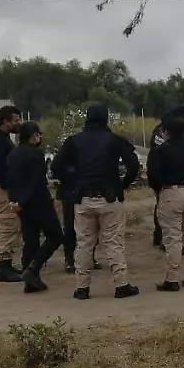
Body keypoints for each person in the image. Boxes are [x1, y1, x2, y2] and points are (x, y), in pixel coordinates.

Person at [50, 103, 142, 300]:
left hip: (83, 199)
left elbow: (56, 166)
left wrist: (74, 182)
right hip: (110, 198)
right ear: (105, 118)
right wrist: (122, 184)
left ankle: (82, 288)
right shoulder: (114, 140)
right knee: (114, 242)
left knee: (83, 244)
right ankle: (121, 285)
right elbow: (134, 165)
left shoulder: (74, 141)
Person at [147, 114, 184, 291]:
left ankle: (172, 279)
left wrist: (160, 189)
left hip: (171, 193)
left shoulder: (162, 150)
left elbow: (154, 175)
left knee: (173, 238)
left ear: (167, 132)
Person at [5, 122, 65, 294]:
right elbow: (36, 182)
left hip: (21, 206)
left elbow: (11, 180)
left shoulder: (13, 154)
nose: (40, 137)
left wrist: (15, 201)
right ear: (33, 136)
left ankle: (30, 281)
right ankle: (33, 269)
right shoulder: (36, 154)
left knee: (30, 240)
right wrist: (23, 201)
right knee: (55, 236)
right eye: (38, 134)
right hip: (38, 202)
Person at [0, 104, 23, 282]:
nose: (18, 124)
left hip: (6, 187)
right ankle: (3, 266)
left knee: (11, 223)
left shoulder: (3, 138)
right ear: (6, 121)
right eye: (15, 120)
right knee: (7, 223)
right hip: (3, 189)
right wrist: (10, 188)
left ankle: (6, 262)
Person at [149, 105, 184, 249]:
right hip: (163, 174)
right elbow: (163, 151)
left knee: (164, 206)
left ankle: (160, 237)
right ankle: (162, 238)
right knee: (164, 206)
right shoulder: (165, 131)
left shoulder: (162, 129)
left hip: (159, 172)